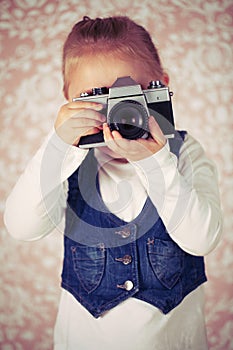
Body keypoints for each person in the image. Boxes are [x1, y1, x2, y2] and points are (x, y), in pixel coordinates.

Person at [4, 16, 223, 350]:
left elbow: (202, 239)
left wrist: (154, 161)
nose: (116, 117)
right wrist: (58, 147)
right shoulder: (67, 161)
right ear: (68, 103)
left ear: (160, 87)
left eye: (128, 97)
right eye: (95, 98)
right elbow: (21, 227)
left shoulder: (183, 154)